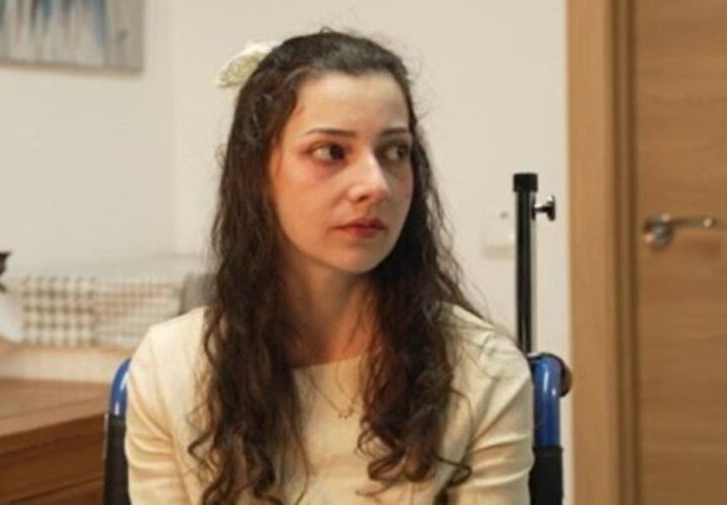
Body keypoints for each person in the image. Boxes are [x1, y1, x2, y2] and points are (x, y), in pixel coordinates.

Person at [125, 30, 533, 504]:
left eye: (395, 152)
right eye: (331, 152)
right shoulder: (170, 368)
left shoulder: (482, 372)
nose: (375, 185)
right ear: (257, 172)